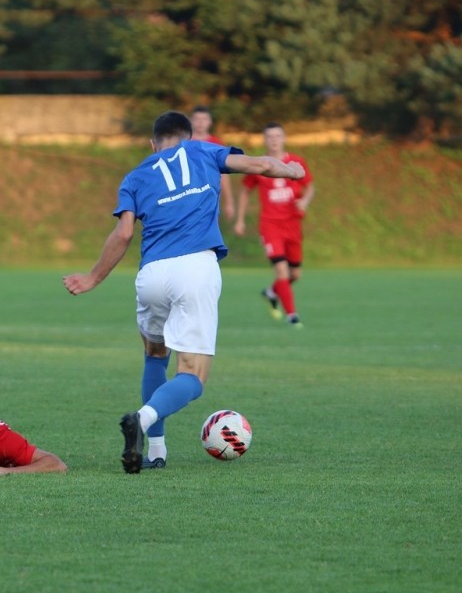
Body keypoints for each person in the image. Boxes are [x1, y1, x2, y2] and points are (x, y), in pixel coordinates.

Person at [62, 111, 304, 473]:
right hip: (195, 269)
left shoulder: (135, 176)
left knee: (154, 355)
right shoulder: (202, 151)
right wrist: (292, 170)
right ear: (189, 137)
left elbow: (124, 234)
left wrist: (93, 278)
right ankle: (142, 419)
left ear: (153, 144)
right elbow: (261, 165)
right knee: (193, 374)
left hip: (152, 274)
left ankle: (156, 452)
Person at [233, 122, 315, 327]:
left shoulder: (296, 162)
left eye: (277, 136)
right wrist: (240, 220)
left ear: (284, 138)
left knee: (295, 274)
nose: (274, 140)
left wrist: (304, 201)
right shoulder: (259, 165)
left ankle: (271, 292)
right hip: (270, 226)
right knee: (282, 271)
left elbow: (310, 186)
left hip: (293, 225)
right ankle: (292, 316)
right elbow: (245, 191)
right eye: (269, 137)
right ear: (265, 140)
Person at [191, 105, 234, 221]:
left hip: (210, 196)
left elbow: (224, 174)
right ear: (191, 121)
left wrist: (229, 202)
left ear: (209, 122)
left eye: (204, 119)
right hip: (188, 195)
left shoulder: (216, 144)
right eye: (197, 119)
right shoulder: (184, 143)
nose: (200, 122)